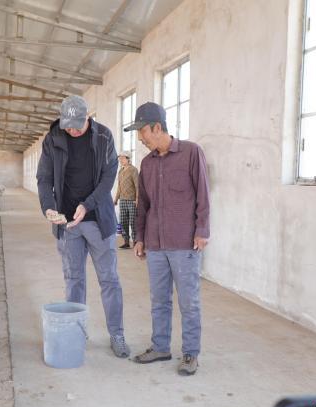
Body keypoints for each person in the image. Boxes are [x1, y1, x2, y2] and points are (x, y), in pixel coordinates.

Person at [36, 95, 130, 358]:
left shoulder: (104, 138)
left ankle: (117, 334)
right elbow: (43, 178)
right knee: (74, 280)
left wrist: (87, 205)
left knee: (109, 280)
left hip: (98, 220)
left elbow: (109, 177)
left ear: (88, 117)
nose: (72, 130)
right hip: (68, 225)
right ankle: (76, 334)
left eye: (77, 125)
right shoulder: (52, 139)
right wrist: (49, 207)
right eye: (68, 125)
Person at [125, 102, 210, 376]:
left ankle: (190, 353)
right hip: (156, 245)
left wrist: (202, 230)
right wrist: (139, 237)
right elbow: (143, 205)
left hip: (184, 243)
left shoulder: (191, 153)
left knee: (189, 302)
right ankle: (160, 346)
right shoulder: (147, 164)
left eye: (143, 132)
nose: (140, 138)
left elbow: (203, 196)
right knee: (159, 299)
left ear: (157, 127)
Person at [114, 151, 139, 249]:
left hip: (132, 200)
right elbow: (119, 187)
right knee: (123, 221)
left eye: (122, 158)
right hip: (122, 200)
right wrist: (116, 199)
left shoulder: (133, 170)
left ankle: (136, 242)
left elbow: (137, 186)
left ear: (128, 159)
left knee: (133, 222)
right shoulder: (120, 171)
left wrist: (137, 199)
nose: (120, 160)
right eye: (120, 158)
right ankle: (126, 242)